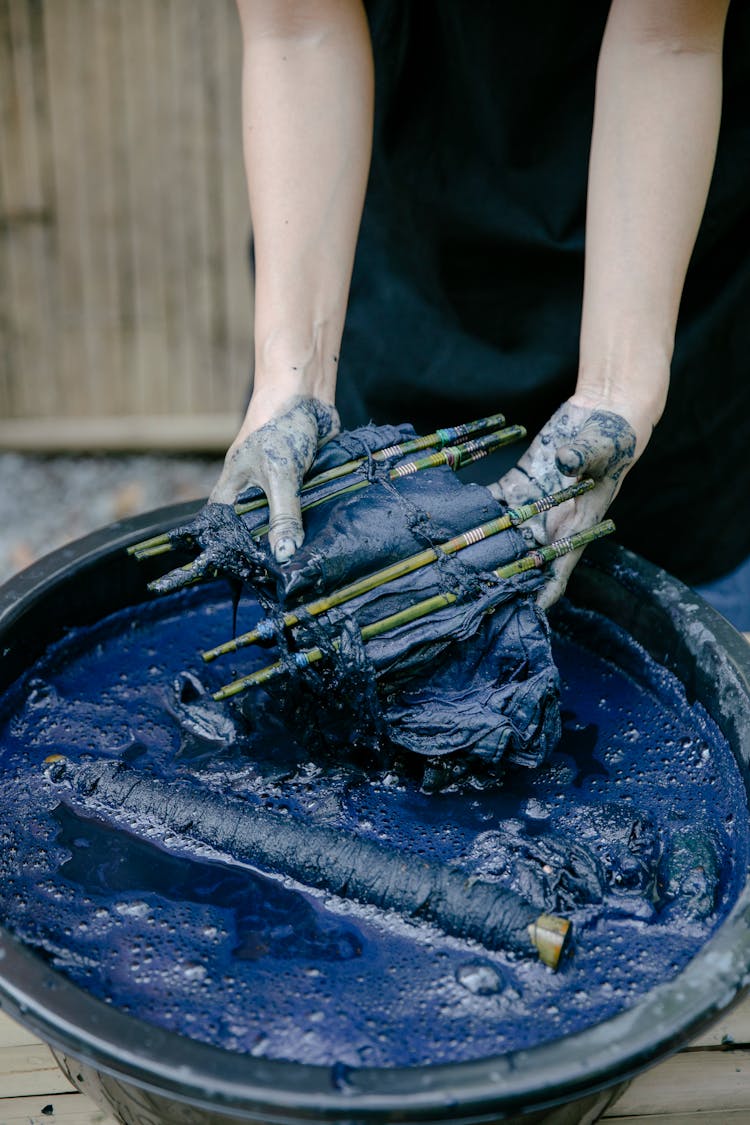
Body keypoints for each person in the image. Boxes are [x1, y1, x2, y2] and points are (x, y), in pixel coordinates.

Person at [211, 0, 749, 623]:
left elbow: (667, 41)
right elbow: (300, 27)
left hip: (659, 248)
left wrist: (617, 393)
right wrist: (291, 382)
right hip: (388, 237)